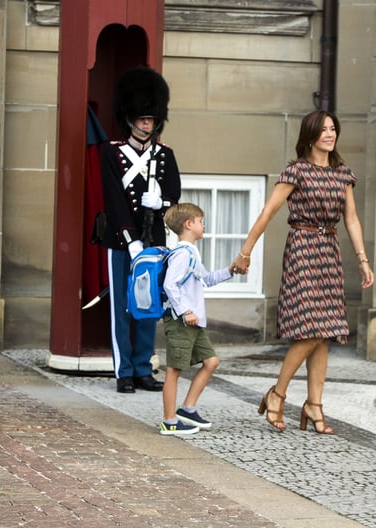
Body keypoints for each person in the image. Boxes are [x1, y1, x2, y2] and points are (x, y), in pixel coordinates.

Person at [232, 110, 374, 434]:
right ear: (310, 134)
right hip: (302, 248)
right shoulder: (296, 171)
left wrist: (363, 260)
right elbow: (269, 211)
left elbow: (351, 219)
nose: (330, 134)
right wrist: (246, 252)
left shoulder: (342, 174)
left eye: (333, 128)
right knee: (311, 328)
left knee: (326, 330)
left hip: (329, 250)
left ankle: (314, 404)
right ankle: (277, 393)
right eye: (324, 129)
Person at [100, 66, 181, 393]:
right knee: (121, 307)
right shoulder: (112, 153)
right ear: (130, 118)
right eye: (142, 118)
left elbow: (174, 193)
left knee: (148, 307)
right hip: (122, 242)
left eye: (151, 119)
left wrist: (160, 202)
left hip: (153, 240)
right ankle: (124, 371)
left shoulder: (165, 156)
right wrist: (130, 239)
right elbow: (113, 198)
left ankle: (143, 367)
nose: (147, 123)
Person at [158, 203, 238, 435]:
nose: (204, 225)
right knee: (174, 370)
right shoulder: (182, 254)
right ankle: (169, 421)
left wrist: (231, 270)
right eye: (201, 221)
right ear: (189, 224)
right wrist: (185, 311)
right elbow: (169, 285)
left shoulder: (191, 252)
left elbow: (207, 279)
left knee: (211, 362)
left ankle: (188, 409)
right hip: (182, 321)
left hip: (194, 323)